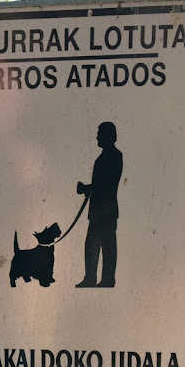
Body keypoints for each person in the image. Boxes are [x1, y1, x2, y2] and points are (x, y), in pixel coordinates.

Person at [76, 122, 123, 288]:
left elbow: (106, 184)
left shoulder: (114, 156)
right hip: (101, 210)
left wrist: (86, 188)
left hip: (105, 211)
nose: (96, 137)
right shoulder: (106, 157)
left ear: (107, 135)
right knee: (94, 245)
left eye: (99, 134)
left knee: (104, 245)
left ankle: (104, 279)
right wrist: (88, 188)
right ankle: (94, 279)